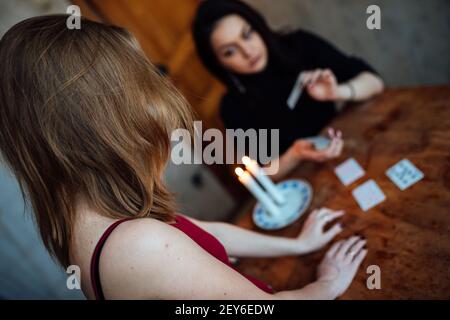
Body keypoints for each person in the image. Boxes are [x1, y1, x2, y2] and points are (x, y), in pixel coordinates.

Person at [0, 15, 367, 300]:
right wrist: (326, 285)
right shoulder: (138, 244)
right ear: (102, 124)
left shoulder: (91, 221)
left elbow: (201, 232)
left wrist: (296, 245)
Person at [193, 0, 384, 179]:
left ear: (257, 26)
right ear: (219, 64)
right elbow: (264, 172)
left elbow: (374, 81)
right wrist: (295, 153)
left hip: (353, 147)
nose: (247, 51)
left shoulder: (300, 45)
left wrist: (338, 92)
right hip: (308, 179)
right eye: (230, 51)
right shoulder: (232, 107)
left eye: (247, 34)